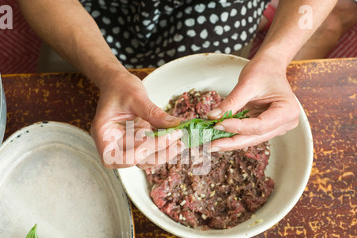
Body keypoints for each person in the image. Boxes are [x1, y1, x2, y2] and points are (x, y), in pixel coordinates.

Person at [18, 0, 338, 169]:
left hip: (217, 11)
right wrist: (106, 73)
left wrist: (276, 57)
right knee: (66, 97)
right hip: (93, 10)